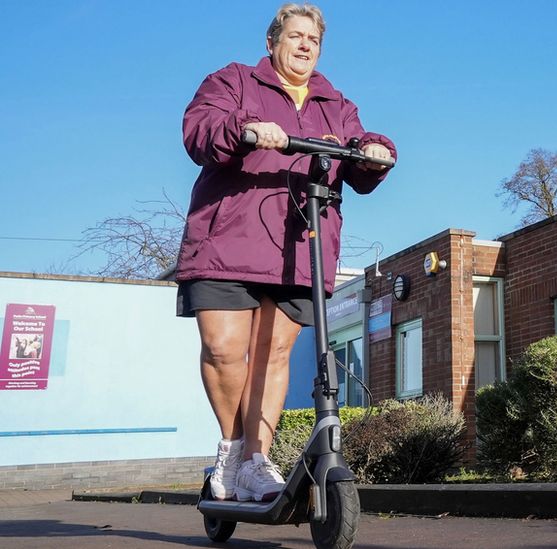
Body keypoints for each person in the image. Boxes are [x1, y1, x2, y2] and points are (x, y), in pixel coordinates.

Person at [175, 3, 395, 502]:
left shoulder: (334, 103)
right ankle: (232, 451)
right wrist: (245, 128)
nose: (303, 46)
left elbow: (359, 154)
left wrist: (376, 151)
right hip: (229, 239)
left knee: (274, 356)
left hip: (299, 244)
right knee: (224, 349)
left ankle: (256, 460)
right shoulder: (233, 81)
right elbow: (199, 129)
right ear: (273, 41)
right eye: (294, 36)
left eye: (312, 40)